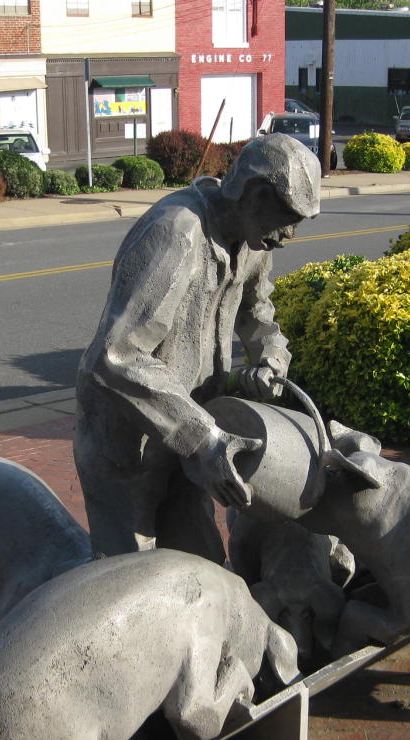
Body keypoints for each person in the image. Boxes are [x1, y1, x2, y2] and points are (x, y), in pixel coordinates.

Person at [74, 133, 321, 562]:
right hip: (129, 442)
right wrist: (202, 438)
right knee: (130, 577)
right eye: (288, 217)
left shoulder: (253, 240)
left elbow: (258, 314)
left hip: (191, 439)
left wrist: (271, 358)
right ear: (256, 194)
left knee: (202, 563)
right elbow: (115, 355)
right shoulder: (176, 234)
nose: (290, 233)